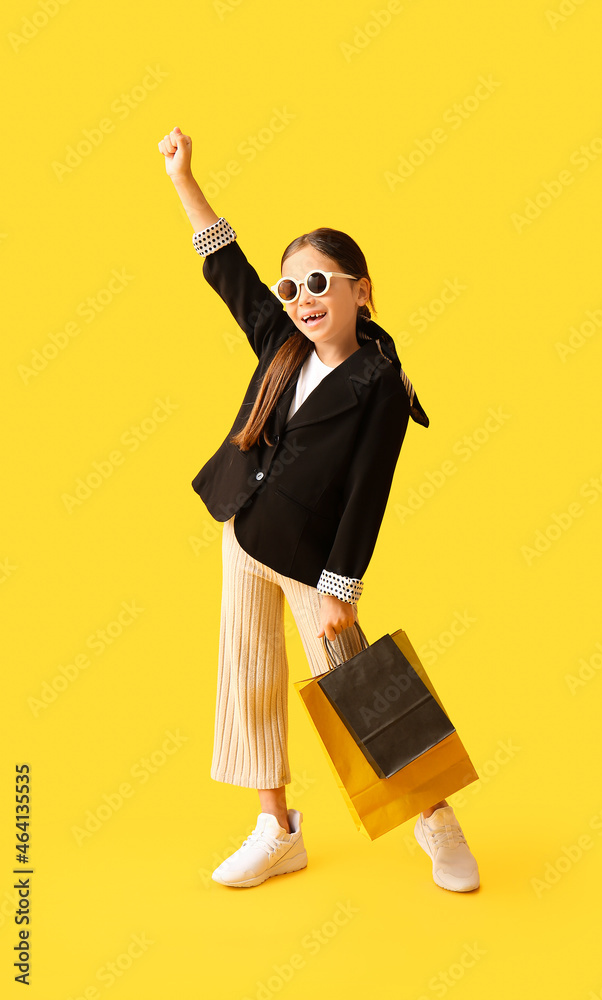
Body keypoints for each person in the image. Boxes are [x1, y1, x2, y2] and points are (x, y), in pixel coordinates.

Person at [157, 126, 480, 893]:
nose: (303, 300)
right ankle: (276, 828)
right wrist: (183, 180)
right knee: (247, 677)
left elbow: (367, 491)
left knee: (360, 683)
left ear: (360, 291)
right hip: (244, 532)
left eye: (320, 284)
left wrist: (341, 586)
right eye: (291, 288)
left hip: (314, 562)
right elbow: (224, 265)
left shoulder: (379, 386)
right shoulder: (279, 342)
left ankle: (435, 820)